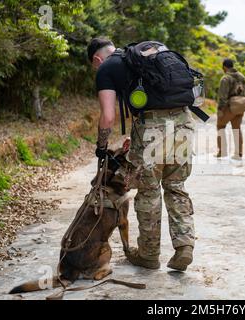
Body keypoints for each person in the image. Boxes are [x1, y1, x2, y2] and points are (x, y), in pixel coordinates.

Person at [87, 38, 196, 272]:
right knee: (176, 186)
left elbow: (107, 117)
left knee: (149, 191)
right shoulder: (143, 55)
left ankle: (148, 254)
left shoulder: (106, 68)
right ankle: (184, 245)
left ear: (97, 59)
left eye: (95, 66)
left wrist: (102, 145)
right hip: (184, 122)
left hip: (151, 128)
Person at [216, 59, 245, 160]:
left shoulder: (225, 78)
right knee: (237, 129)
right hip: (240, 106)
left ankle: (222, 152)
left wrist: (220, 109)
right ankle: (239, 153)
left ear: (224, 67)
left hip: (229, 106)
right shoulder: (242, 76)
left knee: (220, 126)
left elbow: (223, 96)